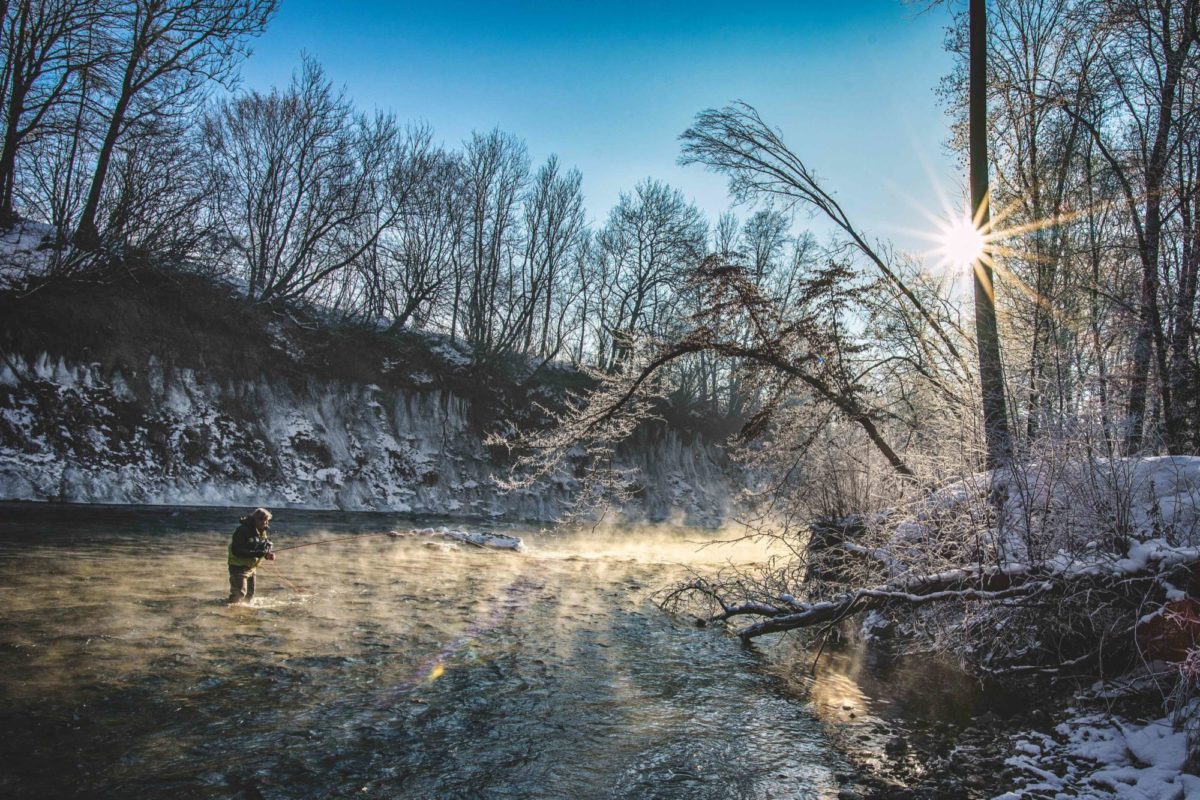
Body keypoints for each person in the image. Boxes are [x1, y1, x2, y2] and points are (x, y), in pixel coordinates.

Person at [227, 507, 275, 604]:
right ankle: (230, 608)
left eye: (267, 521)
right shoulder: (242, 530)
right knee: (239, 593)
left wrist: (267, 555)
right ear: (257, 519)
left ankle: (244, 610)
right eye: (264, 521)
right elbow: (237, 551)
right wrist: (258, 553)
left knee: (250, 594)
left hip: (251, 567)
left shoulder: (261, 530)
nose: (266, 524)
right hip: (238, 566)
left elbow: (262, 547)